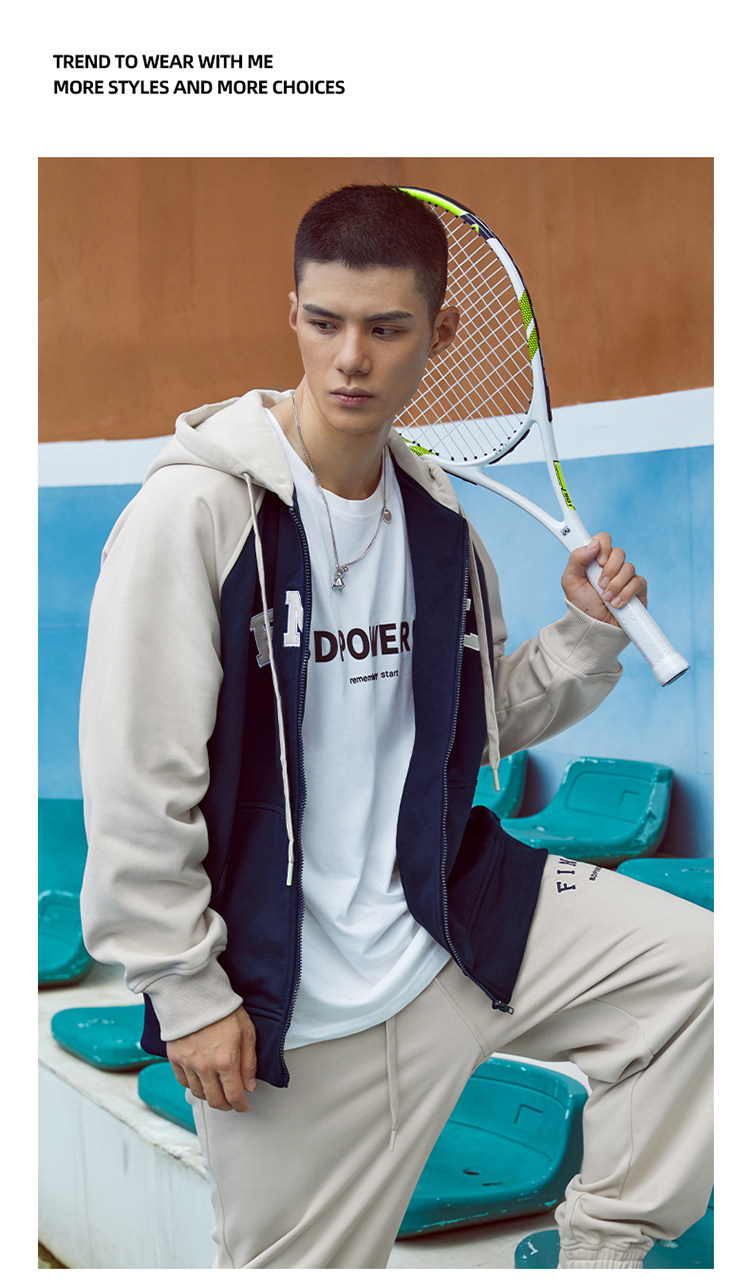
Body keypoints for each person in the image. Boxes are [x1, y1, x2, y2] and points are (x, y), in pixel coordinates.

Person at [79, 184, 712, 1270]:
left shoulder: (437, 519)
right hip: (290, 1007)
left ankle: (604, 1255)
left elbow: (478, 726)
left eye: (386, 329)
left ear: (441, 332)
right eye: (325, 322)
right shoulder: (194, 516)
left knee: (705, 973)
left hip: (456, 929)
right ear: (291, 314)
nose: (350, 360)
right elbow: (139, 780)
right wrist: (183, 990)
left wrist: (586, 634)